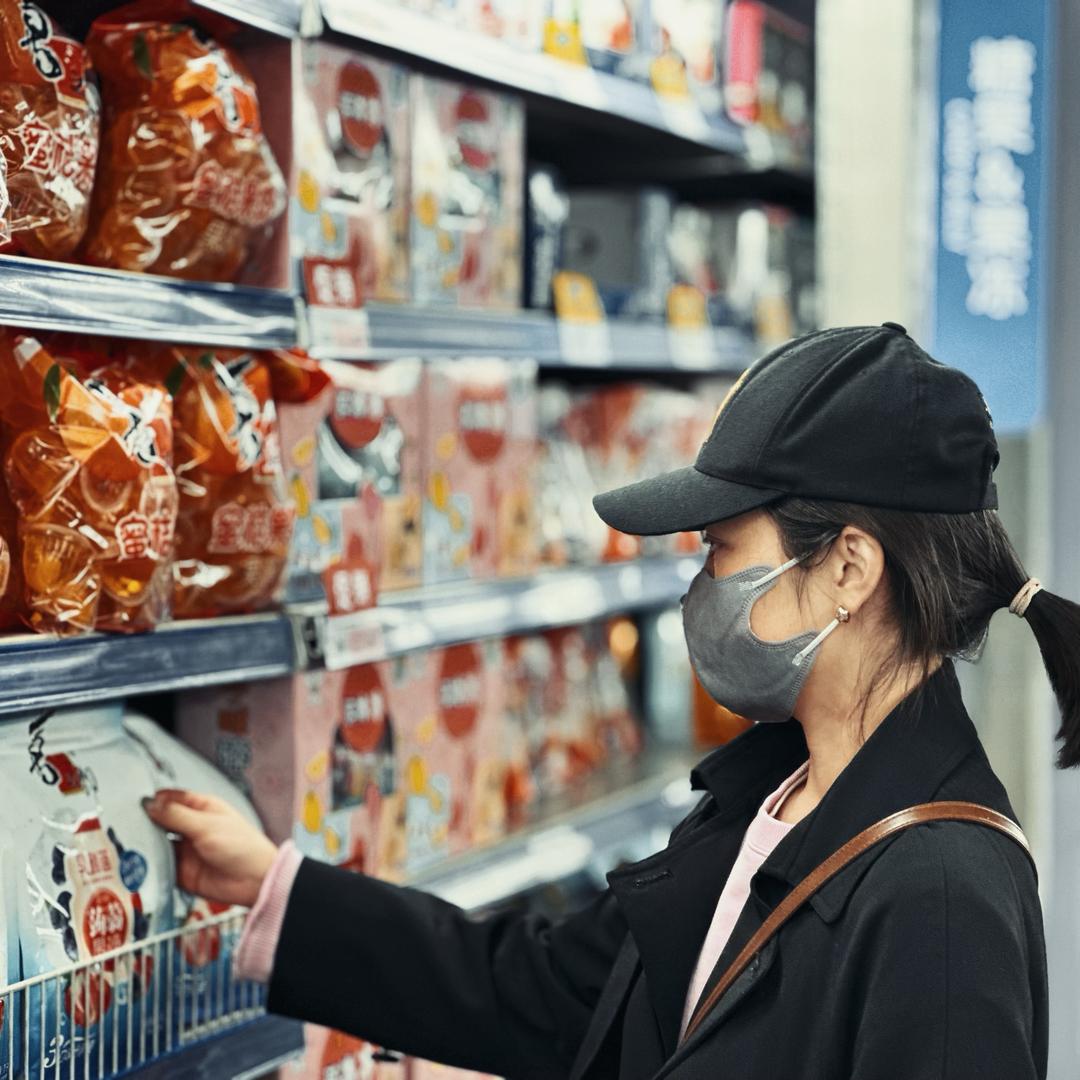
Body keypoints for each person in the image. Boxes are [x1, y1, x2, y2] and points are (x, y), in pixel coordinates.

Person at [145, 323, 1075, 1080]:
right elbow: (547, 994)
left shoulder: (945, 894)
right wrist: (275, 888)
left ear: (846, 567)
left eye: (719, 549)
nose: (697, 586)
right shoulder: (770, 799)